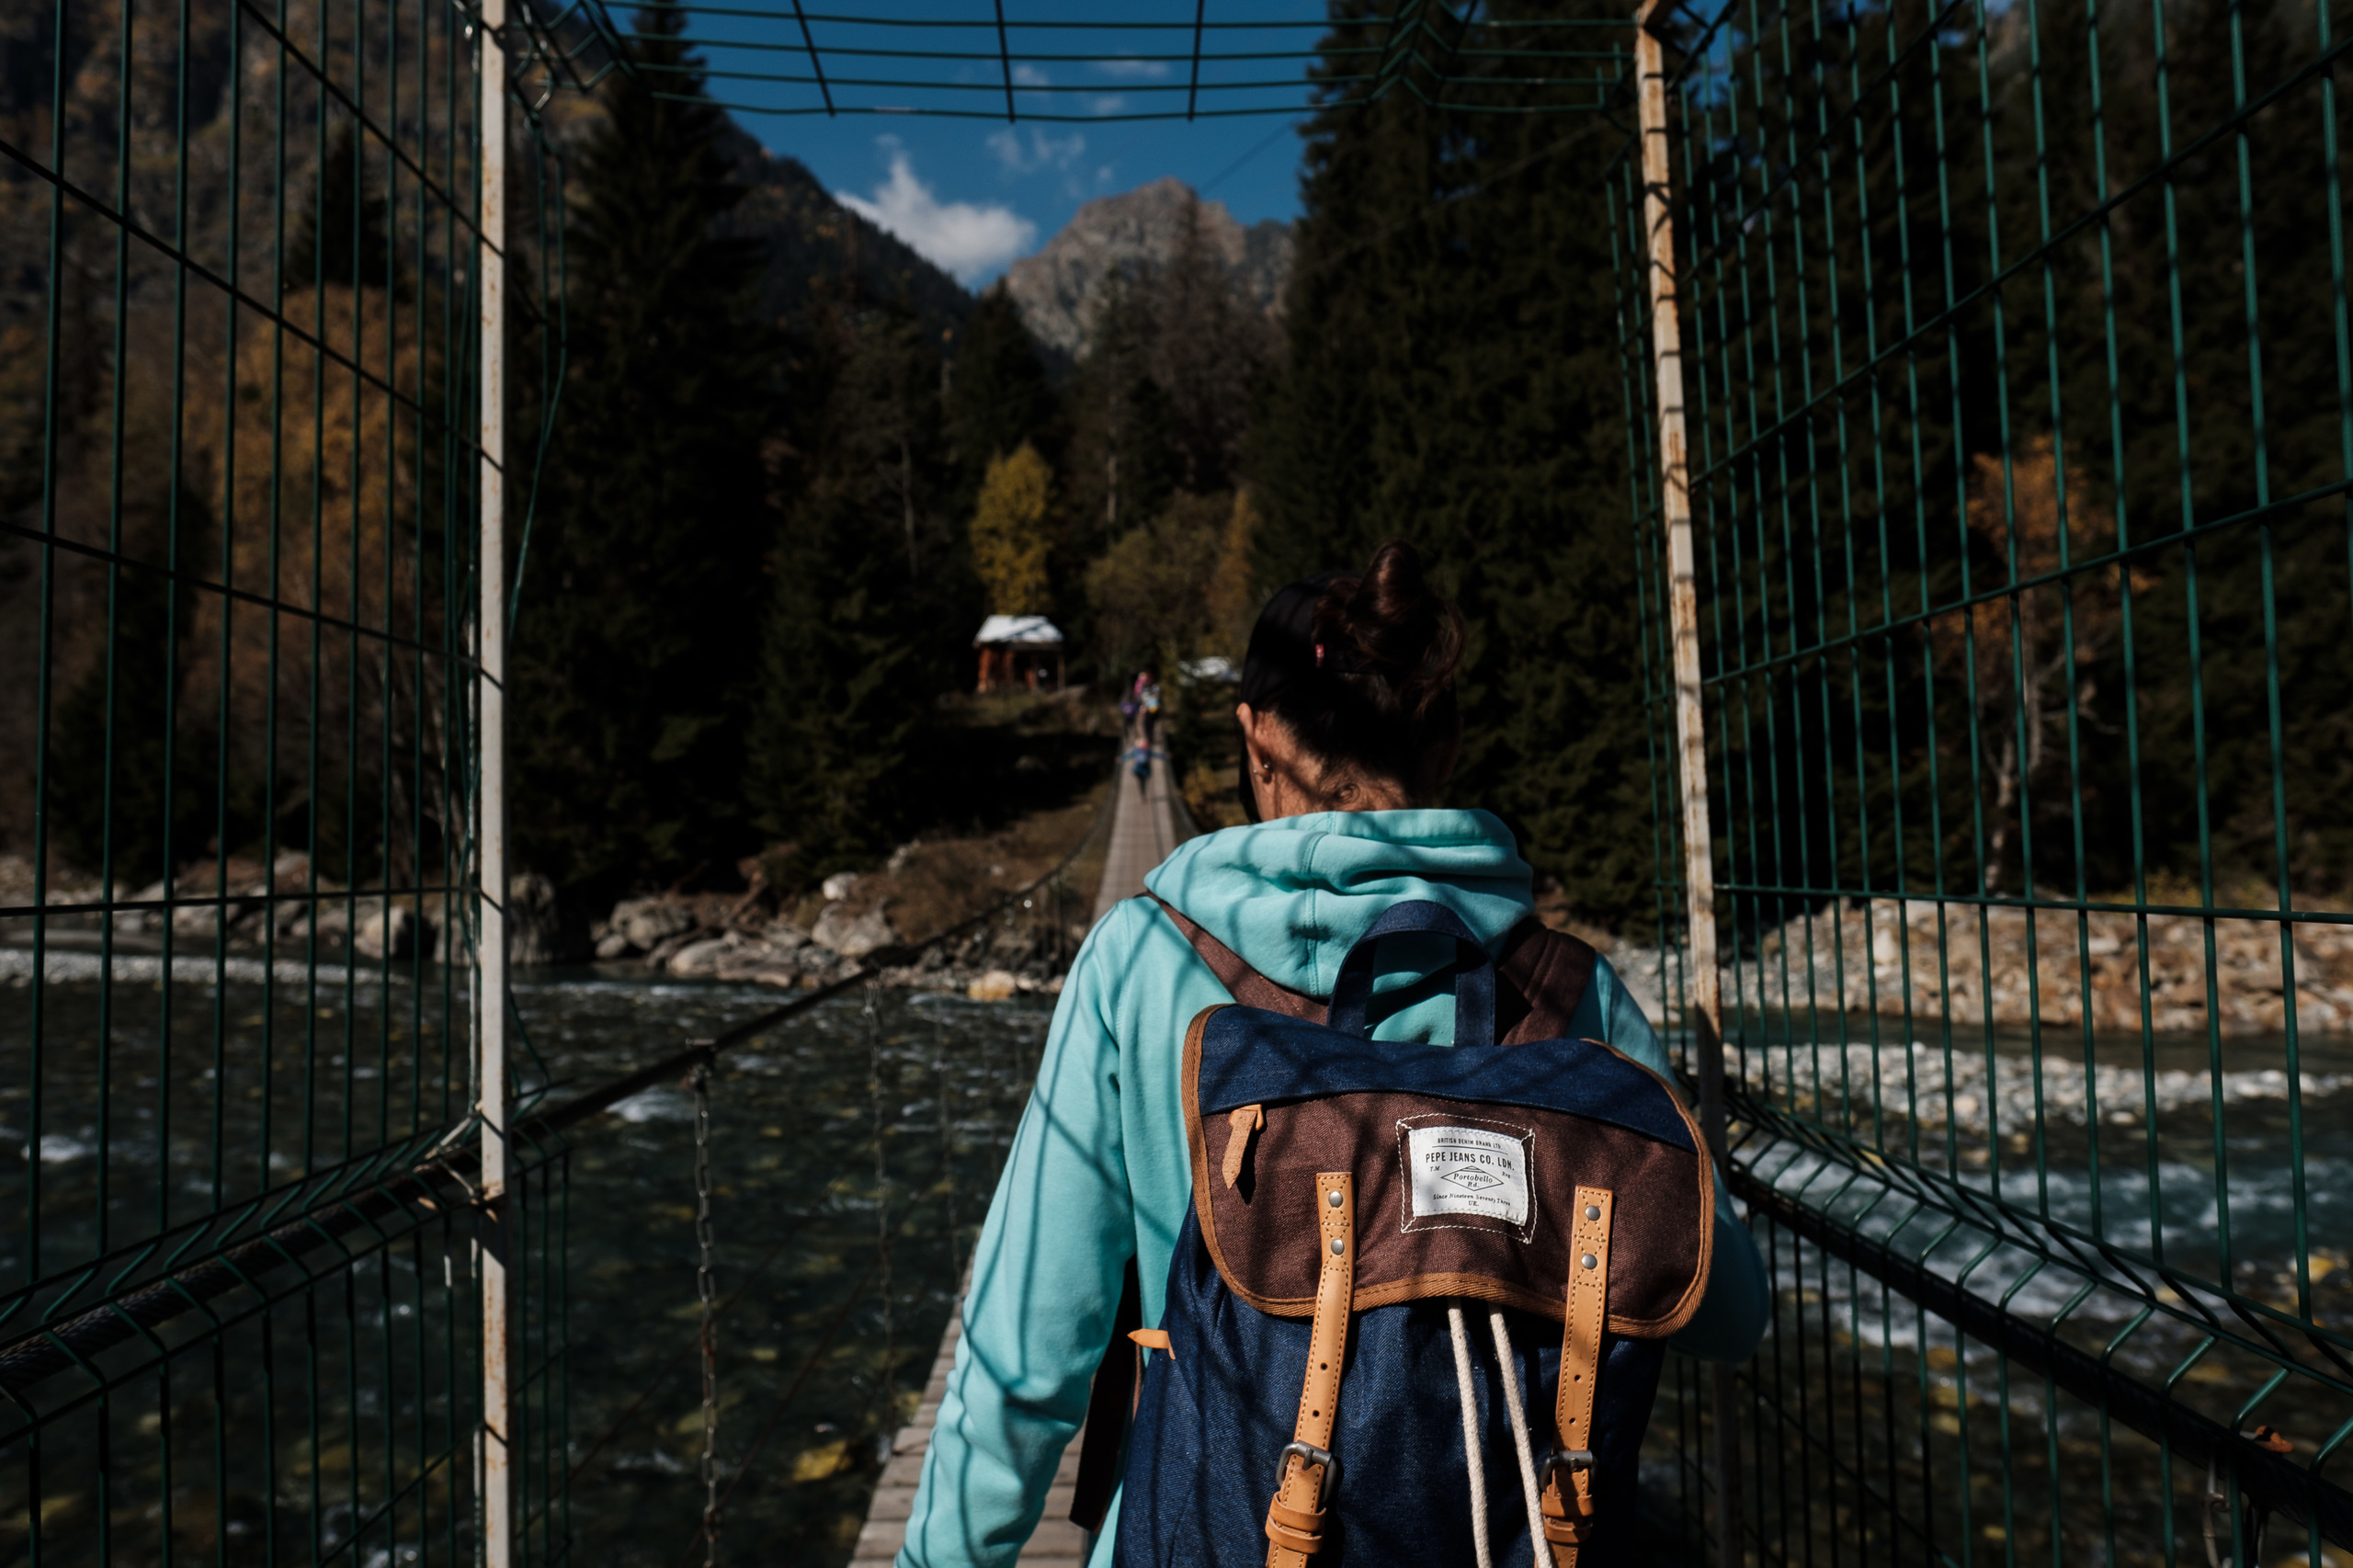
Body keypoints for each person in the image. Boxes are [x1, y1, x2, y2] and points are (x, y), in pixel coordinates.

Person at [898, 541, 1768, 1567]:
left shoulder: (1141, 957)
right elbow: (1730, 1314)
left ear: (1257, 739)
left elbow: (1023, 1355)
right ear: (1443, 743)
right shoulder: (1569, 992)